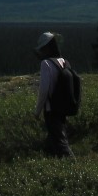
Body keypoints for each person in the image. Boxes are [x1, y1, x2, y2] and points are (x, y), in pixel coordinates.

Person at [33, 30, 73, 158]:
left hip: (51, 109)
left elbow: (43, 90)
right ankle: (50, 160)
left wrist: (37, 111)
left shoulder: (46, 64)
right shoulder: (64, 62)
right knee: (54, 138)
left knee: (61, 143)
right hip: (63, 107)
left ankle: (72, 164)